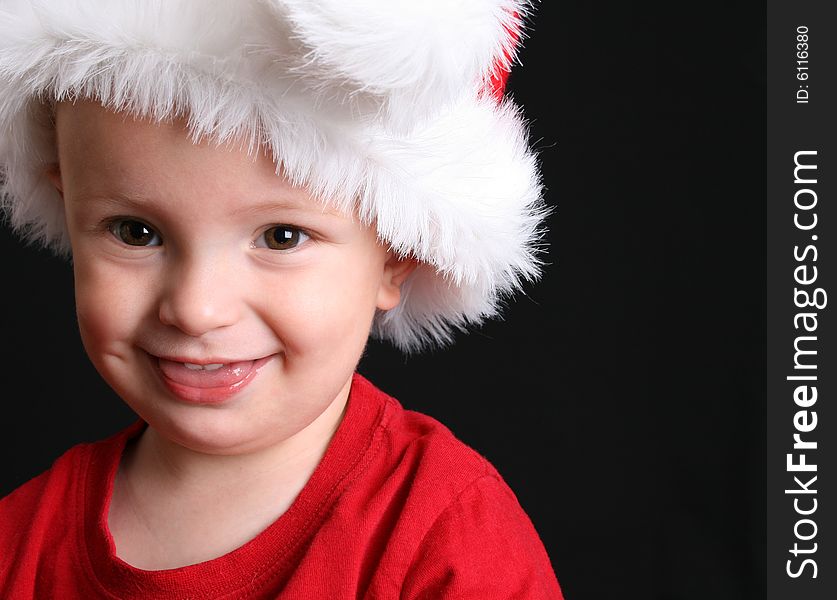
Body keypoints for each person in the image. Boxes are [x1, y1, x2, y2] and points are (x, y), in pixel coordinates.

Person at [0, 1, 563, 597]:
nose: (196, 308)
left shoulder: (445, 538)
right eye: (135, 232)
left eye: (281, 237)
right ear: (66, 205)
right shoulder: (18, 546)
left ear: (397, 253)